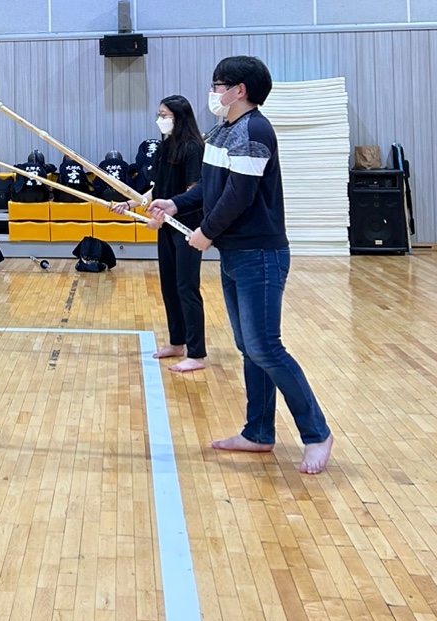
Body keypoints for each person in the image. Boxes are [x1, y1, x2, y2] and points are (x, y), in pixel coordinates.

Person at [148, 57, 332, 475]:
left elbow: (239, 195)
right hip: (234, 254)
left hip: (260, 255)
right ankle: (259, 432)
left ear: (239, 90)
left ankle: (317, 433)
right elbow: (211, 187)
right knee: (250, 347)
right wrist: (175, 203)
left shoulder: (255, 131)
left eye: (218, 85)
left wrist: (205, 232)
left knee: (266, 346)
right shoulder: (221, 131)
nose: (213, 92)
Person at [125, 96, 207, 373]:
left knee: (186, 287)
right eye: (159, 114)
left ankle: (197, 353)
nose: (160, 119)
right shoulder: (165, 146)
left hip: (187, 226)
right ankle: (176, 343)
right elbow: (157, 189)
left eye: (165, 115)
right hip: (167, 225)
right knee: (169, 286)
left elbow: (195, 190)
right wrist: (131, 203)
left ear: (179, 117)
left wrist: (168, 211)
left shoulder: (193, 147)